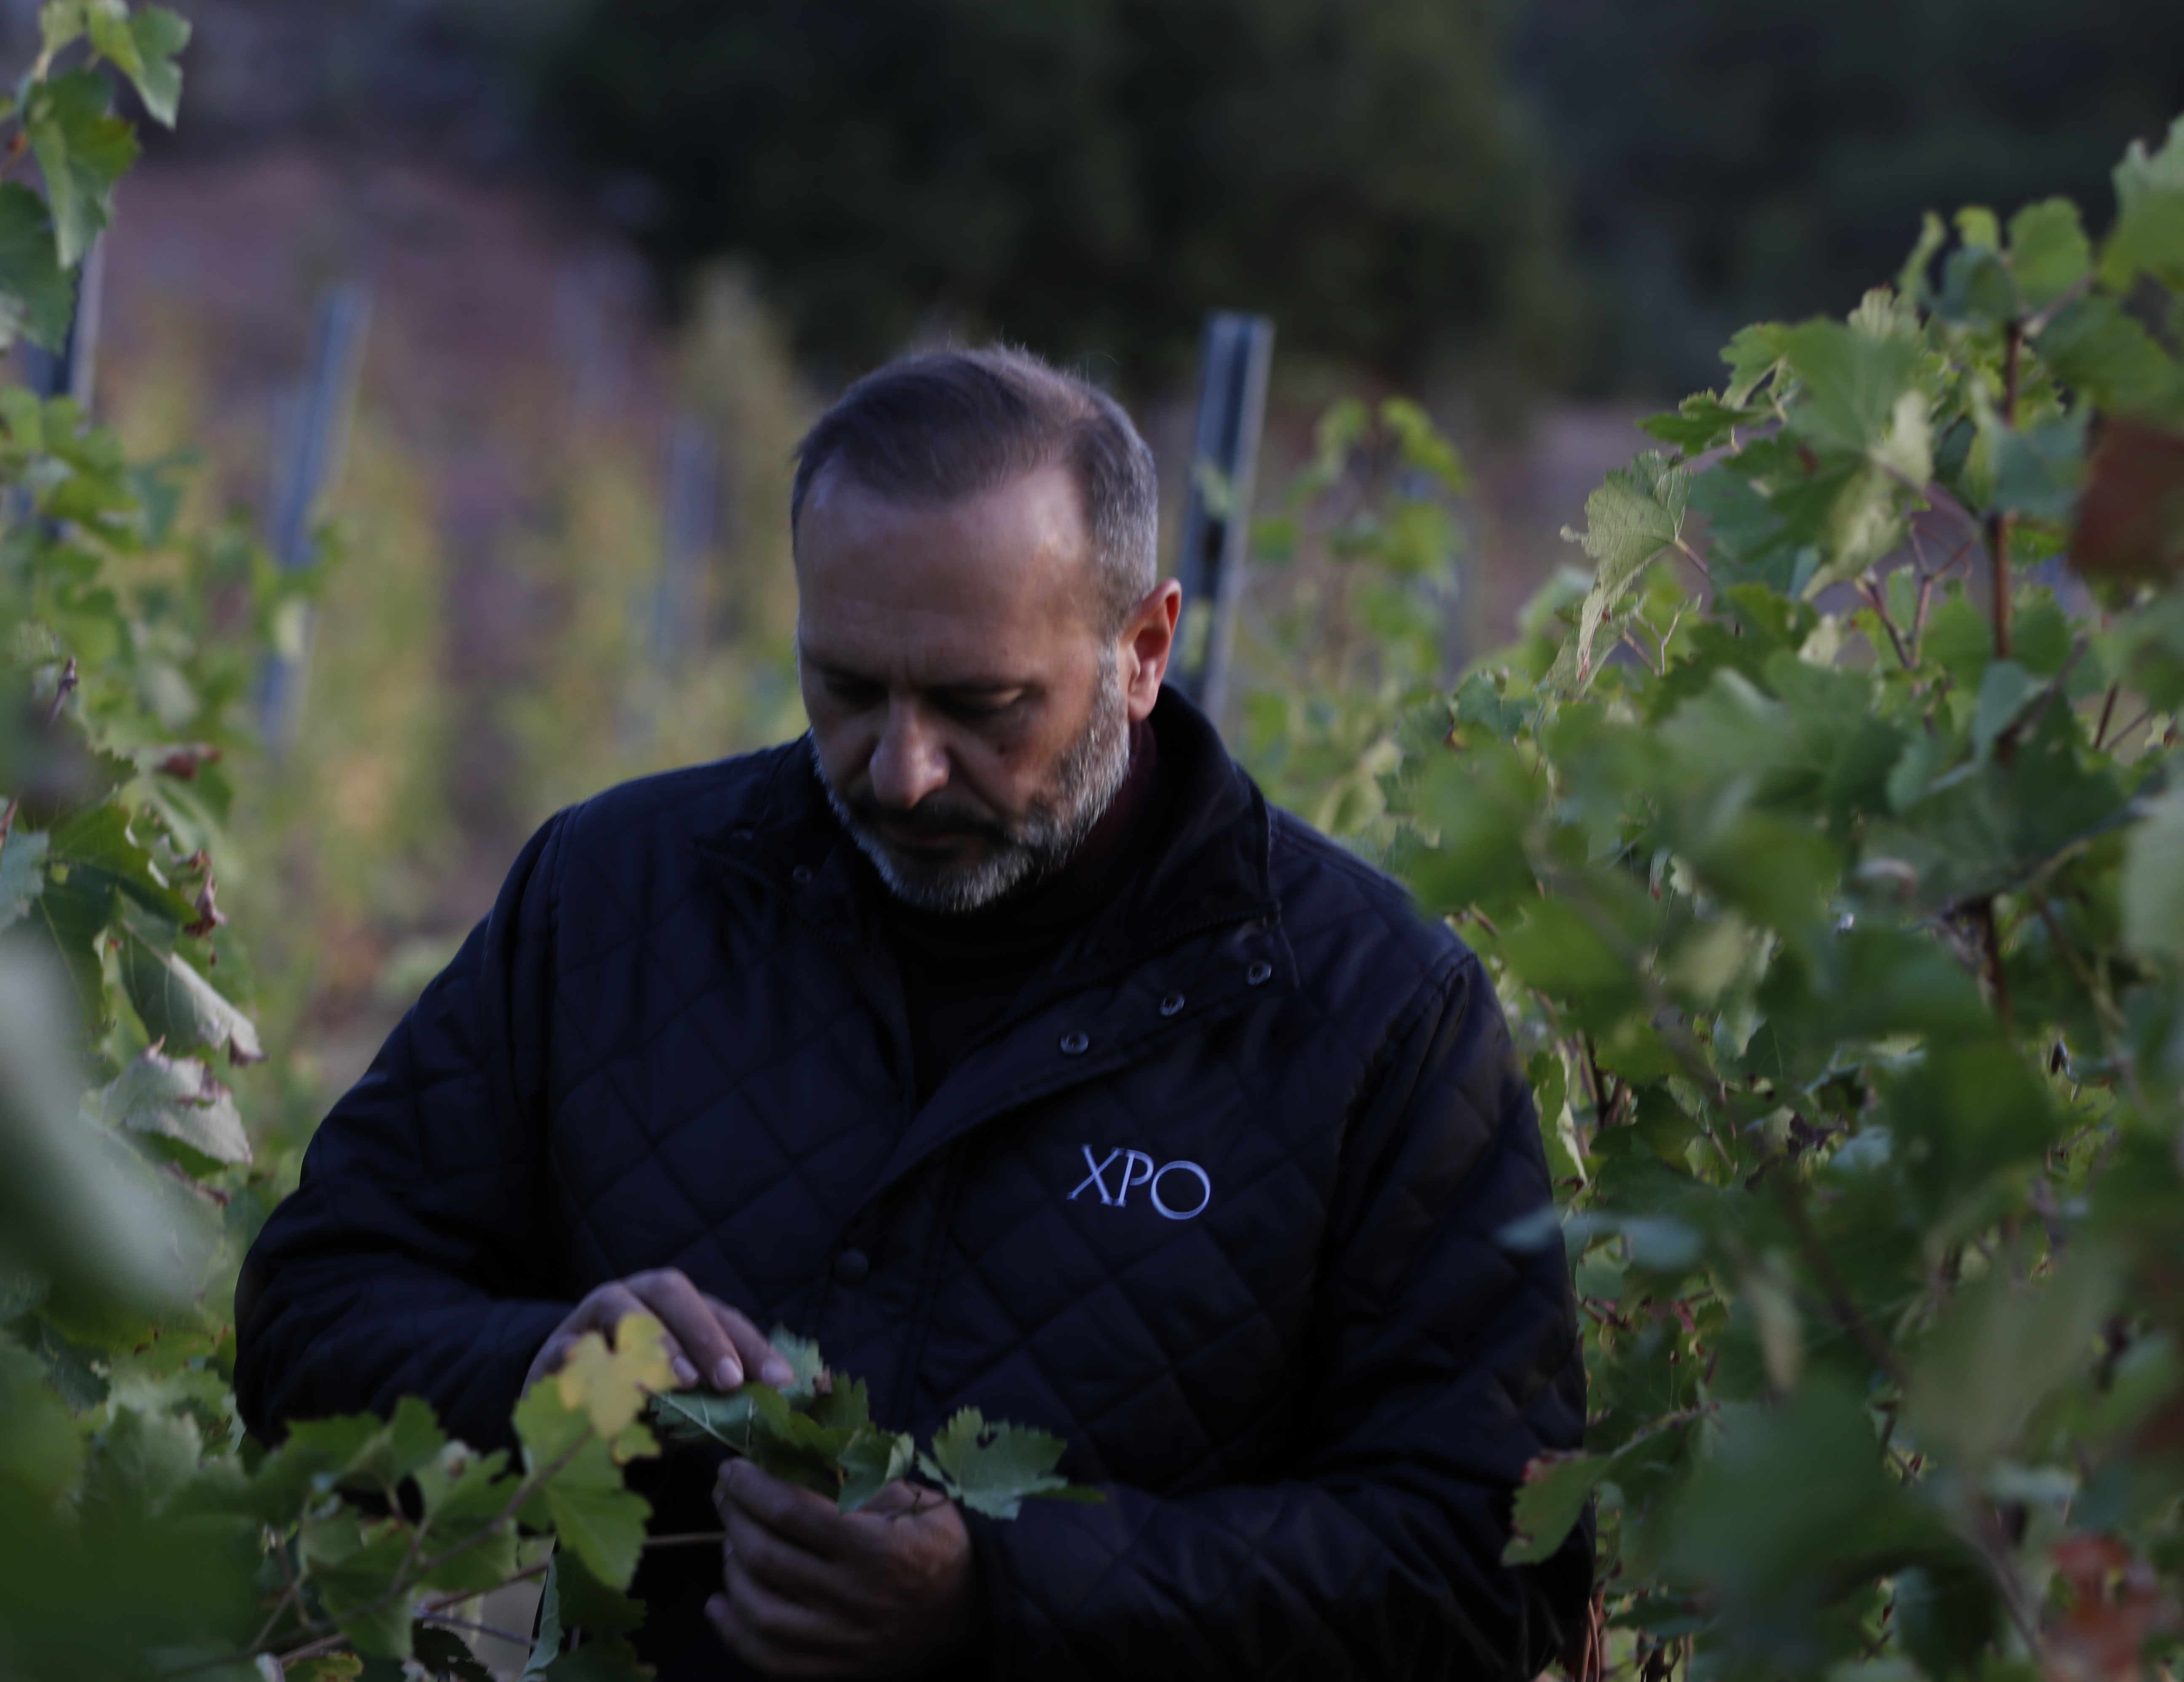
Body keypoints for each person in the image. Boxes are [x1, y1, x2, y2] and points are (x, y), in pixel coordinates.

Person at [234, 346, 1591, 1679]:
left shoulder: (1368, 1015)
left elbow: (1492, 1566)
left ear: (1144, 650)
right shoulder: (609, 901)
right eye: (845, 686)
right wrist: (534, 1364)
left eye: (981, 704)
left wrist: (1010, 1597)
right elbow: (308, 1315)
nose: (901, 767)